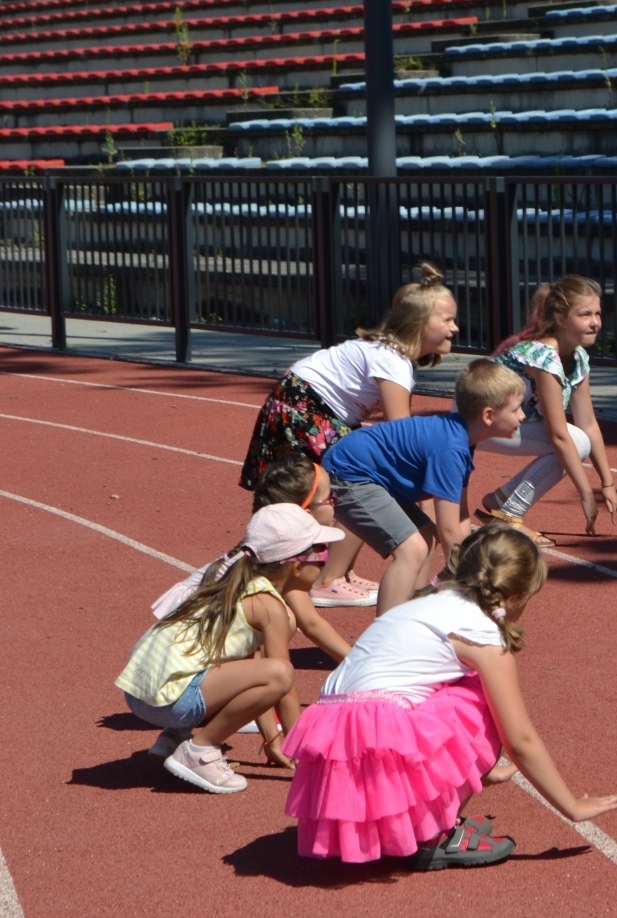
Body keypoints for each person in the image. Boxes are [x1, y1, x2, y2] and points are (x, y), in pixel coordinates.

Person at [283, 524, 617, 867]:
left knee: (454, 684)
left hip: (331, 745)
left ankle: (425, 816)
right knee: (480, 696)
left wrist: (470, 771)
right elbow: (520, 739)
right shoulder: (480, 633)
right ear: (515, 597)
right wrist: (572, 806)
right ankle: (435, 834)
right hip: (373, 740)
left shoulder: (423, 603)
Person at [239, 262, 459, 608]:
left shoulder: (392, 355)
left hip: (310, 404)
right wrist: (428, 500)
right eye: (447, 320)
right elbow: (403, 439)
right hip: (305, 408)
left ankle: (336, 573)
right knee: (352, 481)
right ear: (419, 323)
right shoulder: (393, 361)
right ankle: (327, 579)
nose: (455, 328)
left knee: (355, 477)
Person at [115, 504, 344, 793]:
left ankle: (174, 737)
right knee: (281, 672)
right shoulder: (268, 606)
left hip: (139, 694)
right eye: (322, 554)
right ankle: (198, 751)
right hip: (171, 702)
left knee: (249, 668)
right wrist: (303, 751)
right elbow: (281, 685)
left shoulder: (231, 581)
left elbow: (253, 674)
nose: (325, 562)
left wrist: (272, 740)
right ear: (296, 565)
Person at [319, 358, 527, 615]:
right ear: (488, 415)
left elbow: (460, 516)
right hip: (348, 474)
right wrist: (471, 581)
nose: (522, 416)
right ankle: (388, 630)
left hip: (364, 470)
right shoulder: (450, 449)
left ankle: (412, 614)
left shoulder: (462, 439)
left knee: (426, 535)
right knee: (412, 549)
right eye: (516, 409)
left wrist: (467, 565)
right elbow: (449, 530)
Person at [152, 456, 355, 664]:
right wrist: (357, 664)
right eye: (330, 497)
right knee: (284, 619)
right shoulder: (287, 557)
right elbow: (311, 624)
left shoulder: (269, 546)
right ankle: (244, 670)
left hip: (180, 638)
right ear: (305, 513)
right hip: (187, 646)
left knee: (275, 616)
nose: (334, 501)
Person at [476, 276, 617, 546]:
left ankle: (501, 500)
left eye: (597, 314)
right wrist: (585, 492)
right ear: (560, 318)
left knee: (580, 439)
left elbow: (588, 423)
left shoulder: (578, 358)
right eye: (585, 314)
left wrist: (608, 484)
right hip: (478, 421)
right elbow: (558, 434)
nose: (595, 322)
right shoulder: (544, 356)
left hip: (510, 423)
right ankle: (509, 514)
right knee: (573, 442)